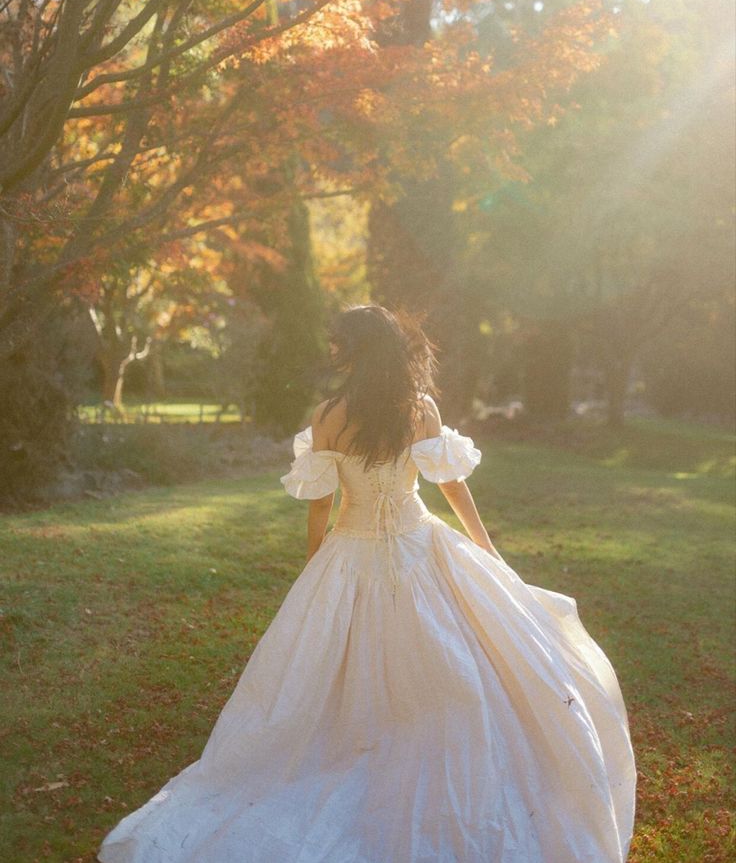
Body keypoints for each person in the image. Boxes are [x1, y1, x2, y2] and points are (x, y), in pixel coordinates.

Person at [98, 303, 637, 862]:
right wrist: (482, 543)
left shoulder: (331, 413)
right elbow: (449, 485)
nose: (331, 349)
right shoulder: (418, 407)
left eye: (338, 341)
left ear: (355, 348)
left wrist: (315, 567)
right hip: (416, 542)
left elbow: (322, 504)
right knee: (446, 663)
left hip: (356, 549)